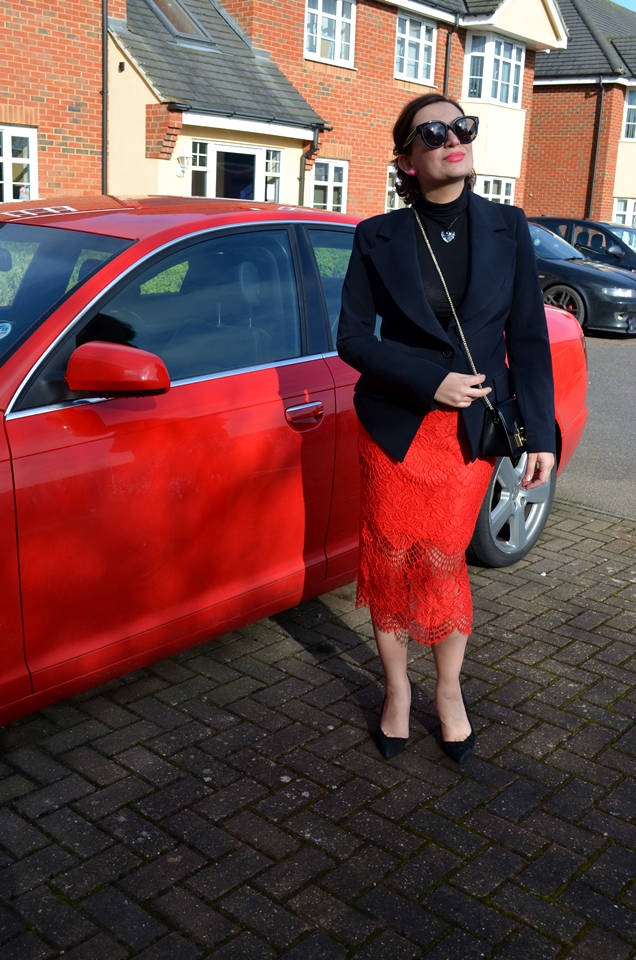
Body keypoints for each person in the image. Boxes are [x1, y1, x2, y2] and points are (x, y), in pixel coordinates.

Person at [337, 93, 556, 762]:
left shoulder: (507, 227)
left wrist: (542, 433)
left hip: (467, 440)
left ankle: (450, 690)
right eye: (432, 132)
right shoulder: (377, 235)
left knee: (443, 562)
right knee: (392, 561)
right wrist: (425, 379)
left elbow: (528, 334)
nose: (451, 138)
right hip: (397, 430)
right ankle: (398, 690)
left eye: (461, 126)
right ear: (407, 158)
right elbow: (351, 338)